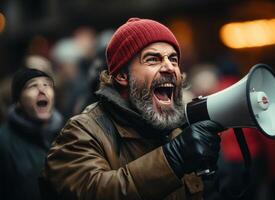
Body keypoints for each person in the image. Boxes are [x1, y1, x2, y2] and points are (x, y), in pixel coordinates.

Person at [42, 18, 224, 200]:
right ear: (122, 75)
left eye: (174, 59)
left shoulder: (176, 131)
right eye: (153, 59)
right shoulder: (82, 132)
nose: (169, 67)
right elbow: (93, 191)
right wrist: (172, 159)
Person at [0, 68, 63, 200]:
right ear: (18, 101)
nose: (42, 90)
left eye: (47, 85)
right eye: (33, 85)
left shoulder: (67, 133)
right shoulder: (3, 141)